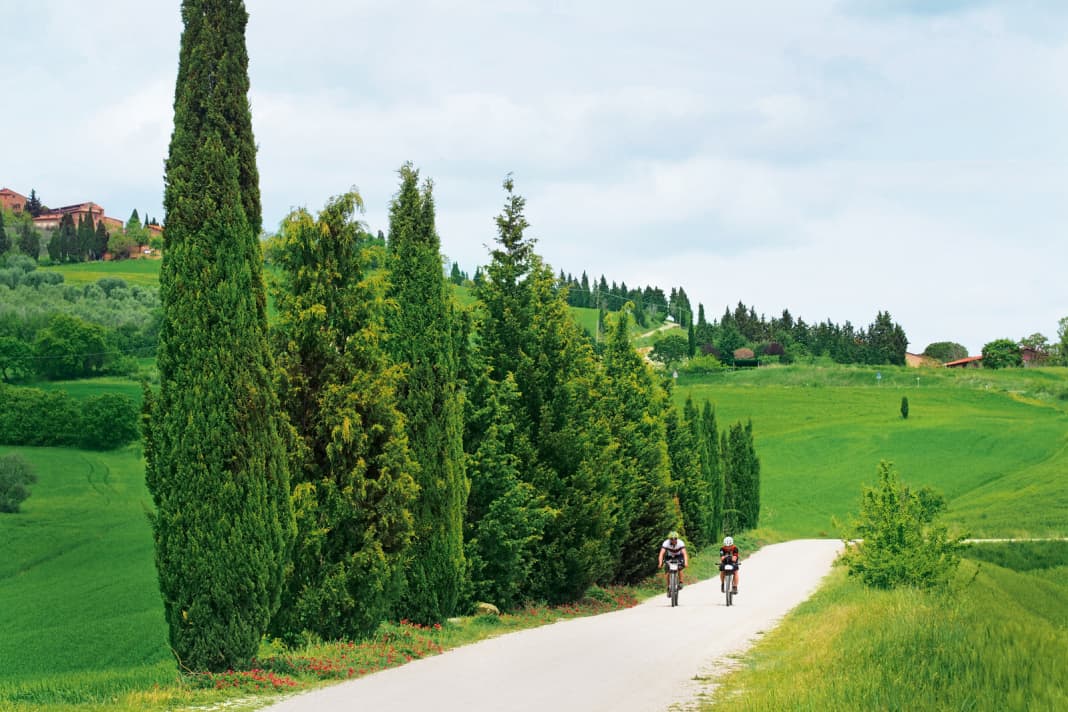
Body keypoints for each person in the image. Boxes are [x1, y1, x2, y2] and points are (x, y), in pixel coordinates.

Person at [658, 530, 688, 596]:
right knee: (667, 571)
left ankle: (680, 582)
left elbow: (685, 554)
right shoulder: (666, 543)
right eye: (672, 539)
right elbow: (661, 554)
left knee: (680, 568)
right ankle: (668, 587)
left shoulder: (681, 543)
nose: (674, 540)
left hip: (679, 556)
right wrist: (660, 563)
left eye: (675, 539)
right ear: (669, 539)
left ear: (677, 539)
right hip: (669, 556)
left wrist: (686, 562)